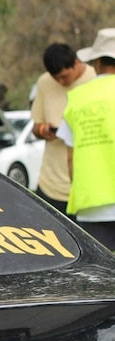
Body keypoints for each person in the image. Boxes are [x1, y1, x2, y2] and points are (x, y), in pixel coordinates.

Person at [56, 28, 115, 249]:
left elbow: (70, 158)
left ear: (97, 62)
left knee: (100, 276)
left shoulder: (78, 98)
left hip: (91, 205)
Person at [30, 43, 95, 216]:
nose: (60, 82)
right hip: (50, 185)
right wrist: (44, 130)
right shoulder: (44, 82)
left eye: (64, 76)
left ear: (75, 63)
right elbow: (36, 127)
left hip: (87, 187)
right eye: (55, 78)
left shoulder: (95, 78)